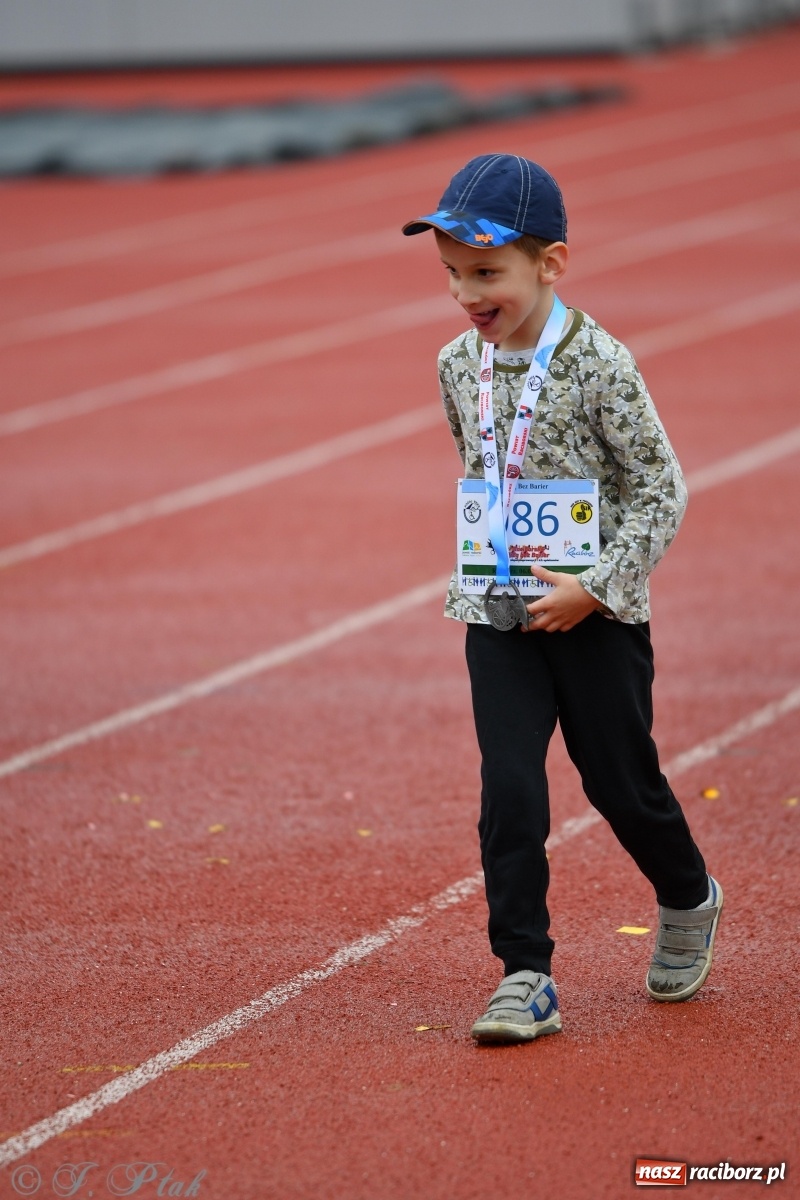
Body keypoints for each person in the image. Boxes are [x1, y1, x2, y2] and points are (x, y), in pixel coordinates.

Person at [402, 154, 722, 1043]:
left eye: (486, 273)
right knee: (509, 790)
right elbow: (481, 467)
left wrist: (597, 587)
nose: (466, 293)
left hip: (595, 615)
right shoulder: (456, 364)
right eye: (452, 273)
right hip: (497, 612)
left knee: (621, 782)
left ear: (551, 265)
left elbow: (661, 488)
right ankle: (525, 974)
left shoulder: (599, 365)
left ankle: (687, 895)